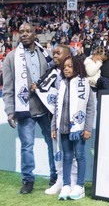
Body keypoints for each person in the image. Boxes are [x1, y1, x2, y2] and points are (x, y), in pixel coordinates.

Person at [2, 23, 56, 194]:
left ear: (35, 34)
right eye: (21, 32)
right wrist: (10, 111)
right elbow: (8, 86)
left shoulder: (46, 54)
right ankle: (28, 180)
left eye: (28, 32)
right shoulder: (11, 57)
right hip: (24, 108)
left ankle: (56, 176)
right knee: (27, 146)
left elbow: (55, 80)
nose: (24, 34)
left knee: (52, 143)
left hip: (46, 107)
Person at [34, 44, 78, 195]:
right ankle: (60, 180)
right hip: (56, 119)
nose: (55, 55)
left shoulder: (78, 73)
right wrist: (37, 87)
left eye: (58, 53)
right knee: (58, 150)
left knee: (73, 151)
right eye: (53, 53)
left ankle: (74, 181)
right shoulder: (51, 72)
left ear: (68, 53)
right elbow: (42, 87)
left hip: (74, 119)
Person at [51, 56, 95, 200]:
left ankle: (80, 186)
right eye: (64, 67)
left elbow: (90, 108)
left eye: (70, 66)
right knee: (67, 157)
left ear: (77, 67)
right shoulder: (61, 85)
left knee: (80, 156)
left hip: (79, 129)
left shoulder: (85, 84)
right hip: (63, 128)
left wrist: (87, 128)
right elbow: (56, 109)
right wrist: (53, 128)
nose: (67, 69)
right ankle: (66, 185)